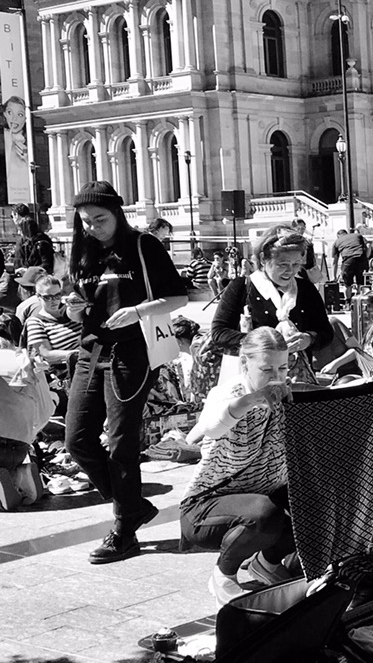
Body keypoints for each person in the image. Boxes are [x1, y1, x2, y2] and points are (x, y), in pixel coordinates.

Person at [63, 181, 188, 564]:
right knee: (76, 440)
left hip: (131, 353)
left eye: (99, 219)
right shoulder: (83, 250)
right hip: (90, 350)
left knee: (121, 441)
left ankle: (124, 530)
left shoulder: (143, 245)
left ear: (117, 213)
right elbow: (82, 306)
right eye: (85, 221)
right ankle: (132, 505)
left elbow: (179, 296)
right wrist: (73, 310)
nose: (92, 227)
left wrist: (137, 311)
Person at [181, 328, 297, 604]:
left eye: (282, 368)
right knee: (264, 514)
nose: (276, 377)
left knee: (317, 503)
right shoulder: (227, 393)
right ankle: (224, 574)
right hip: (207, 504)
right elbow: (211, 426)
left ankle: (268, 563)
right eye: (266, 369)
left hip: (263, 492)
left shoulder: (288, 392)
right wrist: (251, 400)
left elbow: (334, 396)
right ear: (245, 364)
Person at [210, 227, 334, 383]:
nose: (290, 271)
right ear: (263, 259)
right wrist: (264, 343)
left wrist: (308, 339)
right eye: (282, 264)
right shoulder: (241, 287)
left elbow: (325, 332)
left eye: (296, 264)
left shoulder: (306, 289)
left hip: (297, 380)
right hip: (251, 381)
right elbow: (219, 332)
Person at [24, 274, 82, 372]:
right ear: (38, 296)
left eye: (57, 296)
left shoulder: (70, 310)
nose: (54, 301)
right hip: (66, 371)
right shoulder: (35, 322)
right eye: (48, 297)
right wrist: (78, 353)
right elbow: (46, 354)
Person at [11, 204, 56, 272]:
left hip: (36, 275)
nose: (18, 233)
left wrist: (28, 270)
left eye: (20, 230)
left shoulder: (40, 243)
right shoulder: (29, 241)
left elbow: (47, 264)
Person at [332, 227, 371, 303]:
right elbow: (369, 245)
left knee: (347, 285)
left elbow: (335, 261)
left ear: (338, 236)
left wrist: (334, 276)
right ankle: (359, 302)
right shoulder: (357, 235)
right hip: (361, 259)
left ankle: (348, 303)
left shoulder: (336, 242)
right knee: (361, 283)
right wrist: (366, 257)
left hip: (348, 262)